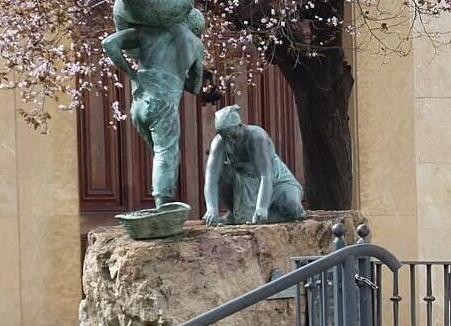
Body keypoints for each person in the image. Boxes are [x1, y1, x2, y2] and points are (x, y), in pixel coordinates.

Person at [103, 21, 204, 208]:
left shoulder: (150, 30)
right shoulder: (195, 44)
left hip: (139, 102)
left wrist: (131, 74)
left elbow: (109, 44)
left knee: (163, 154)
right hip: (163, 103)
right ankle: (163, 205)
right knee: (165, 152)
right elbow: (196, 87)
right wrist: (177, 76)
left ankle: (163, 198)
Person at [203, 104, 306, 225]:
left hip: (276, 182)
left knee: (292, 207)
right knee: (223, 174)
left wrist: (261, 207)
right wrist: (211, 209)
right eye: (226, 136)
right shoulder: (219, 142)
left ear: (240, 126)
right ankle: (238, 213)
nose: (230, 140)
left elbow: (265, 175)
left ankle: (259, 215)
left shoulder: (256, 136)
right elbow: (211, 179)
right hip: (243, 187)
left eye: (233, 134)